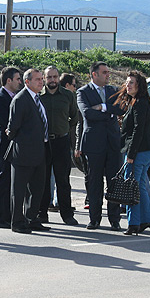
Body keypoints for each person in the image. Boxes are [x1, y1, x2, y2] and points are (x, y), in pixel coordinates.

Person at [77, 62, 124, 231]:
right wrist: (110, 114)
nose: (108, 75)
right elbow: (87, 113)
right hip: (94, 144)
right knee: (95, 183)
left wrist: (104, 107)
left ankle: (115, 219)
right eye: (104, 72)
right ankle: (94, 219)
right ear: (94, 74)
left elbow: (122, 109)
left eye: (108, 72)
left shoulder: (113, 91)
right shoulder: (83, 92)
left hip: (113, 143)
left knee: (114, 182)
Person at [6, 68, 52, 234]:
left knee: (37, 188)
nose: (41, 82)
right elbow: (12, 128)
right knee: (19, 190)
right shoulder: (21, 99)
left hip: (40, 150)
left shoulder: (38, 98)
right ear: (27, 82)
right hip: (23, 152)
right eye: (37, 79)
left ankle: (32, 219)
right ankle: (18, 222)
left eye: (41, 79)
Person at [113, 71, 150, 235]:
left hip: (139, 152)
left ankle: (133, 223)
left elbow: (138, 130)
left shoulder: (139, 103)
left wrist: (131, 154)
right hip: (146, 150)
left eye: (131, 82)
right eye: (127, 82)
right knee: (140, 187)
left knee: (131, 188)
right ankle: (146, 219)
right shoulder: (140, 101)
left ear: (139, 85)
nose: (127, 85)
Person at [38, 66, 78, 225]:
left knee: (63, 180)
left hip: (62, 141)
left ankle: (67, 214)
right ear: (44, 78)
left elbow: (74, 117)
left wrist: (65, 129)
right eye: (49, 77)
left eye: (55, 77)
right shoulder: (38, 96)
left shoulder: (68, 95)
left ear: (58, 78)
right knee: (43, 179)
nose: (52, 80)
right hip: (44, 142)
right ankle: (42, 213)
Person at [0, 66, 22, 229]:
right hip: (4, 147)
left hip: (13, 147)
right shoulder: (0, 98)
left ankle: (7, 216)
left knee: (10, 182)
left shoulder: (14, 97)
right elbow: (7, 124)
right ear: (9, 80)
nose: (20, 82)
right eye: (17, 79)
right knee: (2, 182)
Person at [62, 73, 90, 210]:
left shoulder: (75, 98)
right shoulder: (67, 99)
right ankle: (58, 202)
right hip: (67, 140)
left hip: (75, 140)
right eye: (74, 85)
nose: (75, 87)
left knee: (87, 170)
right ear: (67, 85)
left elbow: (78, 121)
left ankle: (89, 198)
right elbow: (78, 122)